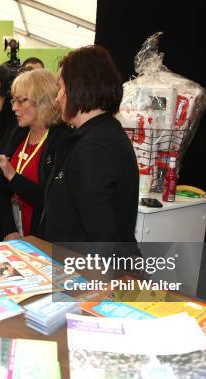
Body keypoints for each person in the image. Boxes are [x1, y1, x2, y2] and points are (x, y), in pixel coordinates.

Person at [41, 45, 139, 244]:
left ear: (78, 87)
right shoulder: (97, 135)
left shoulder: (95, 148)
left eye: (61, 87)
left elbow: (103, 234)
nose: (58, 97)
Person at [0, 69, 70, 240]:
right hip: (14, 236)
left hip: (44, 241)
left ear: (43, 101)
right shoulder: (19, 132)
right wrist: (9, 230)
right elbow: (2, 186)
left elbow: (52, 200)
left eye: (21, 101)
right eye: (13, 101)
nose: (15, 108)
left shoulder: (62, 140)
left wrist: (13, 175)